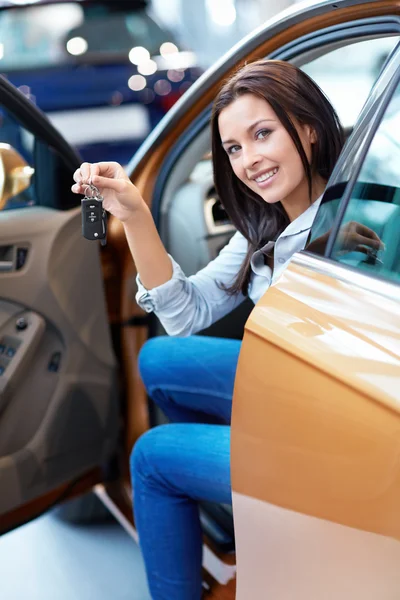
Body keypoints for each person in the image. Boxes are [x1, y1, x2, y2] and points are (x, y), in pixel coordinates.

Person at [72, 60, 382, 600]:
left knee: (151, 458)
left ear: (307, 127)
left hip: (337, 440)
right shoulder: (269, 222)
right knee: (161, 360)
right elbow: (184, 315)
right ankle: (252, 514)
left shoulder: (347, 235)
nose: (249, 160)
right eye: (234, 147)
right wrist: (135, 213)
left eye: (263, 134)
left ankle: (262, 509)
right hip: (300, 398)